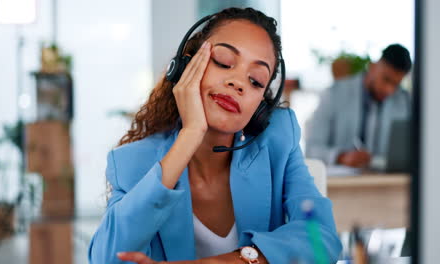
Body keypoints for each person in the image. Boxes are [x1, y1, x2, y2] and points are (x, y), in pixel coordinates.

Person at [88, 7, 341, 264]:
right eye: (223, 62)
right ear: (186, 67)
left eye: (255, 80)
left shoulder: (278, 138)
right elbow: (107, 259)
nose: (238, 82)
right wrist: (190, 134)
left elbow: (321, 238)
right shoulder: (132, 162)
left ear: (260, 108)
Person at [306, 44, 412, 168]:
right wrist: (341, 157)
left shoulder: (403, 101)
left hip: (384, 181)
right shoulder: (334, 94)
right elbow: (311, 149)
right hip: (343, 182)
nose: (389, 90)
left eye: (396, 84)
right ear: (373, 67)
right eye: (386, 79)